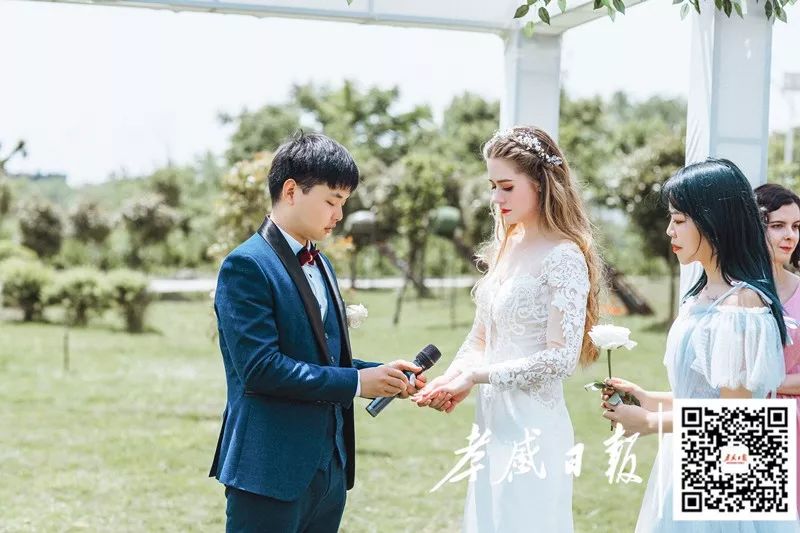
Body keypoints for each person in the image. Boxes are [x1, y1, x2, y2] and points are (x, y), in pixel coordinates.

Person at [209, 132, 426, 532]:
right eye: (332, 201)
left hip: (329, 474)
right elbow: (260, 369)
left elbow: (320, 356)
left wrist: (381, 374)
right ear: (291, 191)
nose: (339, 214)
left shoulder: (322, 263)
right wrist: (357, 383)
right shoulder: (246, 266)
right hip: (269, 472)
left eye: (343, 203)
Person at [414, 126, 603, 533]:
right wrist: (451, 378)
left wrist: (476, 376)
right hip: (492, 423)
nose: (496, 198)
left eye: (506, 187)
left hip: (533, 427)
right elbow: (482, 336)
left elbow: (560, 359)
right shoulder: (507, 245)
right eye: (492, 186)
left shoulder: (564, 256)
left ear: (541, 184)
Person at [601, 159, 798, 532]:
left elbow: (739, 418)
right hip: (689, 457)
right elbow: (705, 396)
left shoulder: (743, 305)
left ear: (713, 220)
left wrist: (650, 423)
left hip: (729, 468)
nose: (669, 230)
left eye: (679, 220)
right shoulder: (701, 296)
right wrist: (648, 399)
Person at [755, 183, 800, 517]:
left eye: (796, 226)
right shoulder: (733, 290)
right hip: (744, 420)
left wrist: (764, 382)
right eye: (778, 225)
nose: (790, 236)